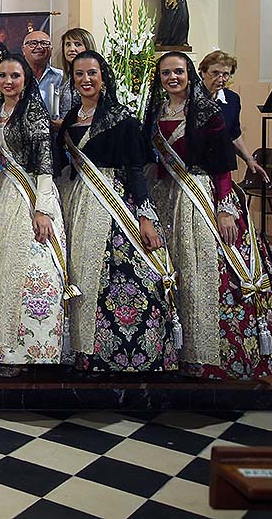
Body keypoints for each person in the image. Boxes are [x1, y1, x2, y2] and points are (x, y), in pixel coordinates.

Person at [144, 52, 272, 380]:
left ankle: (205, 353)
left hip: (199, 197)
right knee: (172, 271)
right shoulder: (155, 112)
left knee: (200, 269)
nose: (172, 77)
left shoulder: (205, 110)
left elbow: (223, 164)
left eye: (179, 71)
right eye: (166, 72)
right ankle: (173, 349)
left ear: (190, 74)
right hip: (165, 197)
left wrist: (226, 209)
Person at [57, 50, 179, 373]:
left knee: (109, 277)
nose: (85, 80)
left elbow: (135, 170)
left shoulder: (122, 118)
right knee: (76, 273)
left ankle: (110, 353)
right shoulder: (70, 120)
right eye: (79, 74)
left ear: (103, 77)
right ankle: (79, 349)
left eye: (91, 73)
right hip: (75, 202)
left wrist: (144, 217)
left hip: (111, 204)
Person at [0, 53, 72, 367]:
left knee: (28, 270)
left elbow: (45, 165)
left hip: (29, 196)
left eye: (14, 76)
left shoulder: (33, 112)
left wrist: (42, 209)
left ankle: (31, 350)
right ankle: (1, 348)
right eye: (2, 76)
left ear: (26, 80)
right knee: (0, 271)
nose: (7, 81)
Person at [199, 50, 270, 185]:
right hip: (195, 167)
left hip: (221, 165)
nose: (221, 79)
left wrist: (249, 159)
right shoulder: (190, 97)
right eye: (215, 73)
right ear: (203, 72)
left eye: (226, 74)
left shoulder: (232, 99)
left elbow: (233, 134)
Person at [56, 27, 97, 121]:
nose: (72, 49)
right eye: (68, 44)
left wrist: (67, 124)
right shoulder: (64, 78)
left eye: (77, 44)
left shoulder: (96, 77)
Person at [23, 29, 64, 119]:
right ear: (23, 50)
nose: (39, 47)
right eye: (33, 43)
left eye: (44, 43)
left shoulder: (61, 77)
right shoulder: (16, 78)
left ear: (51, 50)